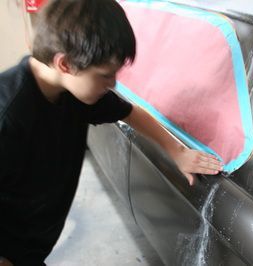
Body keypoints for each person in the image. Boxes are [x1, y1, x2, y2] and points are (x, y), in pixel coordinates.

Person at [0, 0, 223, 265]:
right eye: (105, 75)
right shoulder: (9, 116)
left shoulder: (71, 93)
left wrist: (178, 151)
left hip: (32, 247)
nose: (113, 83)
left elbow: (130, 112)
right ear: (65, 64)